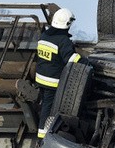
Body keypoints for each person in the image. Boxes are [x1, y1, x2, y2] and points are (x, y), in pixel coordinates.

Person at [35, 7, 87, 138]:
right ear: (68, 24)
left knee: (44, 108)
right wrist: (86, 62)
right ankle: (42, 137)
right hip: (52, 82)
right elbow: (71, 59)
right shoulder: (63, 41)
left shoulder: (45, 35)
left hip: (40, 79)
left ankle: (43, 134)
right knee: (49, 110)